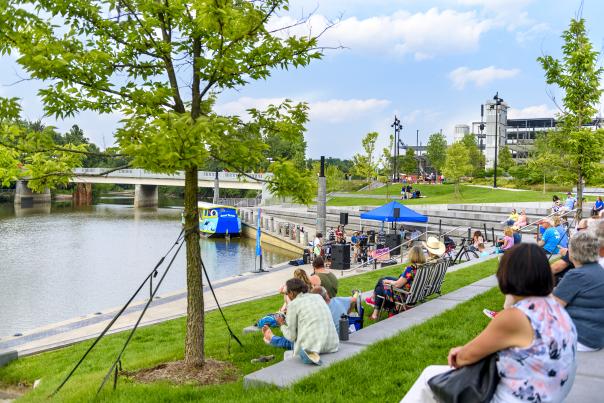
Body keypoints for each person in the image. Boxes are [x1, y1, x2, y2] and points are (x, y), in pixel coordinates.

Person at [403, 243, 577, 403]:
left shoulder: (515, 317)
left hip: (519, 397)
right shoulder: (554, 305)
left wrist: (509, 302)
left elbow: (463, 357)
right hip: (548, 392)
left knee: (429, 378)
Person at [553, 231, 604, 351]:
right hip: (596, 335)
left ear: (572, 253)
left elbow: (554, 307)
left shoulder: (576, 275)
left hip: (580, 338)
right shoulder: (599, 270)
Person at [271, 278, 339, 365]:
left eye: (287, 293)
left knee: (292, 351)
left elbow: (291, 336)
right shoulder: (318, 297)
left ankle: (309, 355)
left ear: (291, 293)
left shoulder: (293, 304)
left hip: (312, 348)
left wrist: (282, 324)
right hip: (332, 345)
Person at [365, 246, 426, 320]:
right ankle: (377, 309)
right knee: (382, 279)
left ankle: (374, 303)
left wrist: (388, 281)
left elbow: (397, 284)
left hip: (404, 295)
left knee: (380, 285)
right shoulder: (424, 267)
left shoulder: (411, 269)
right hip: (415, 292)